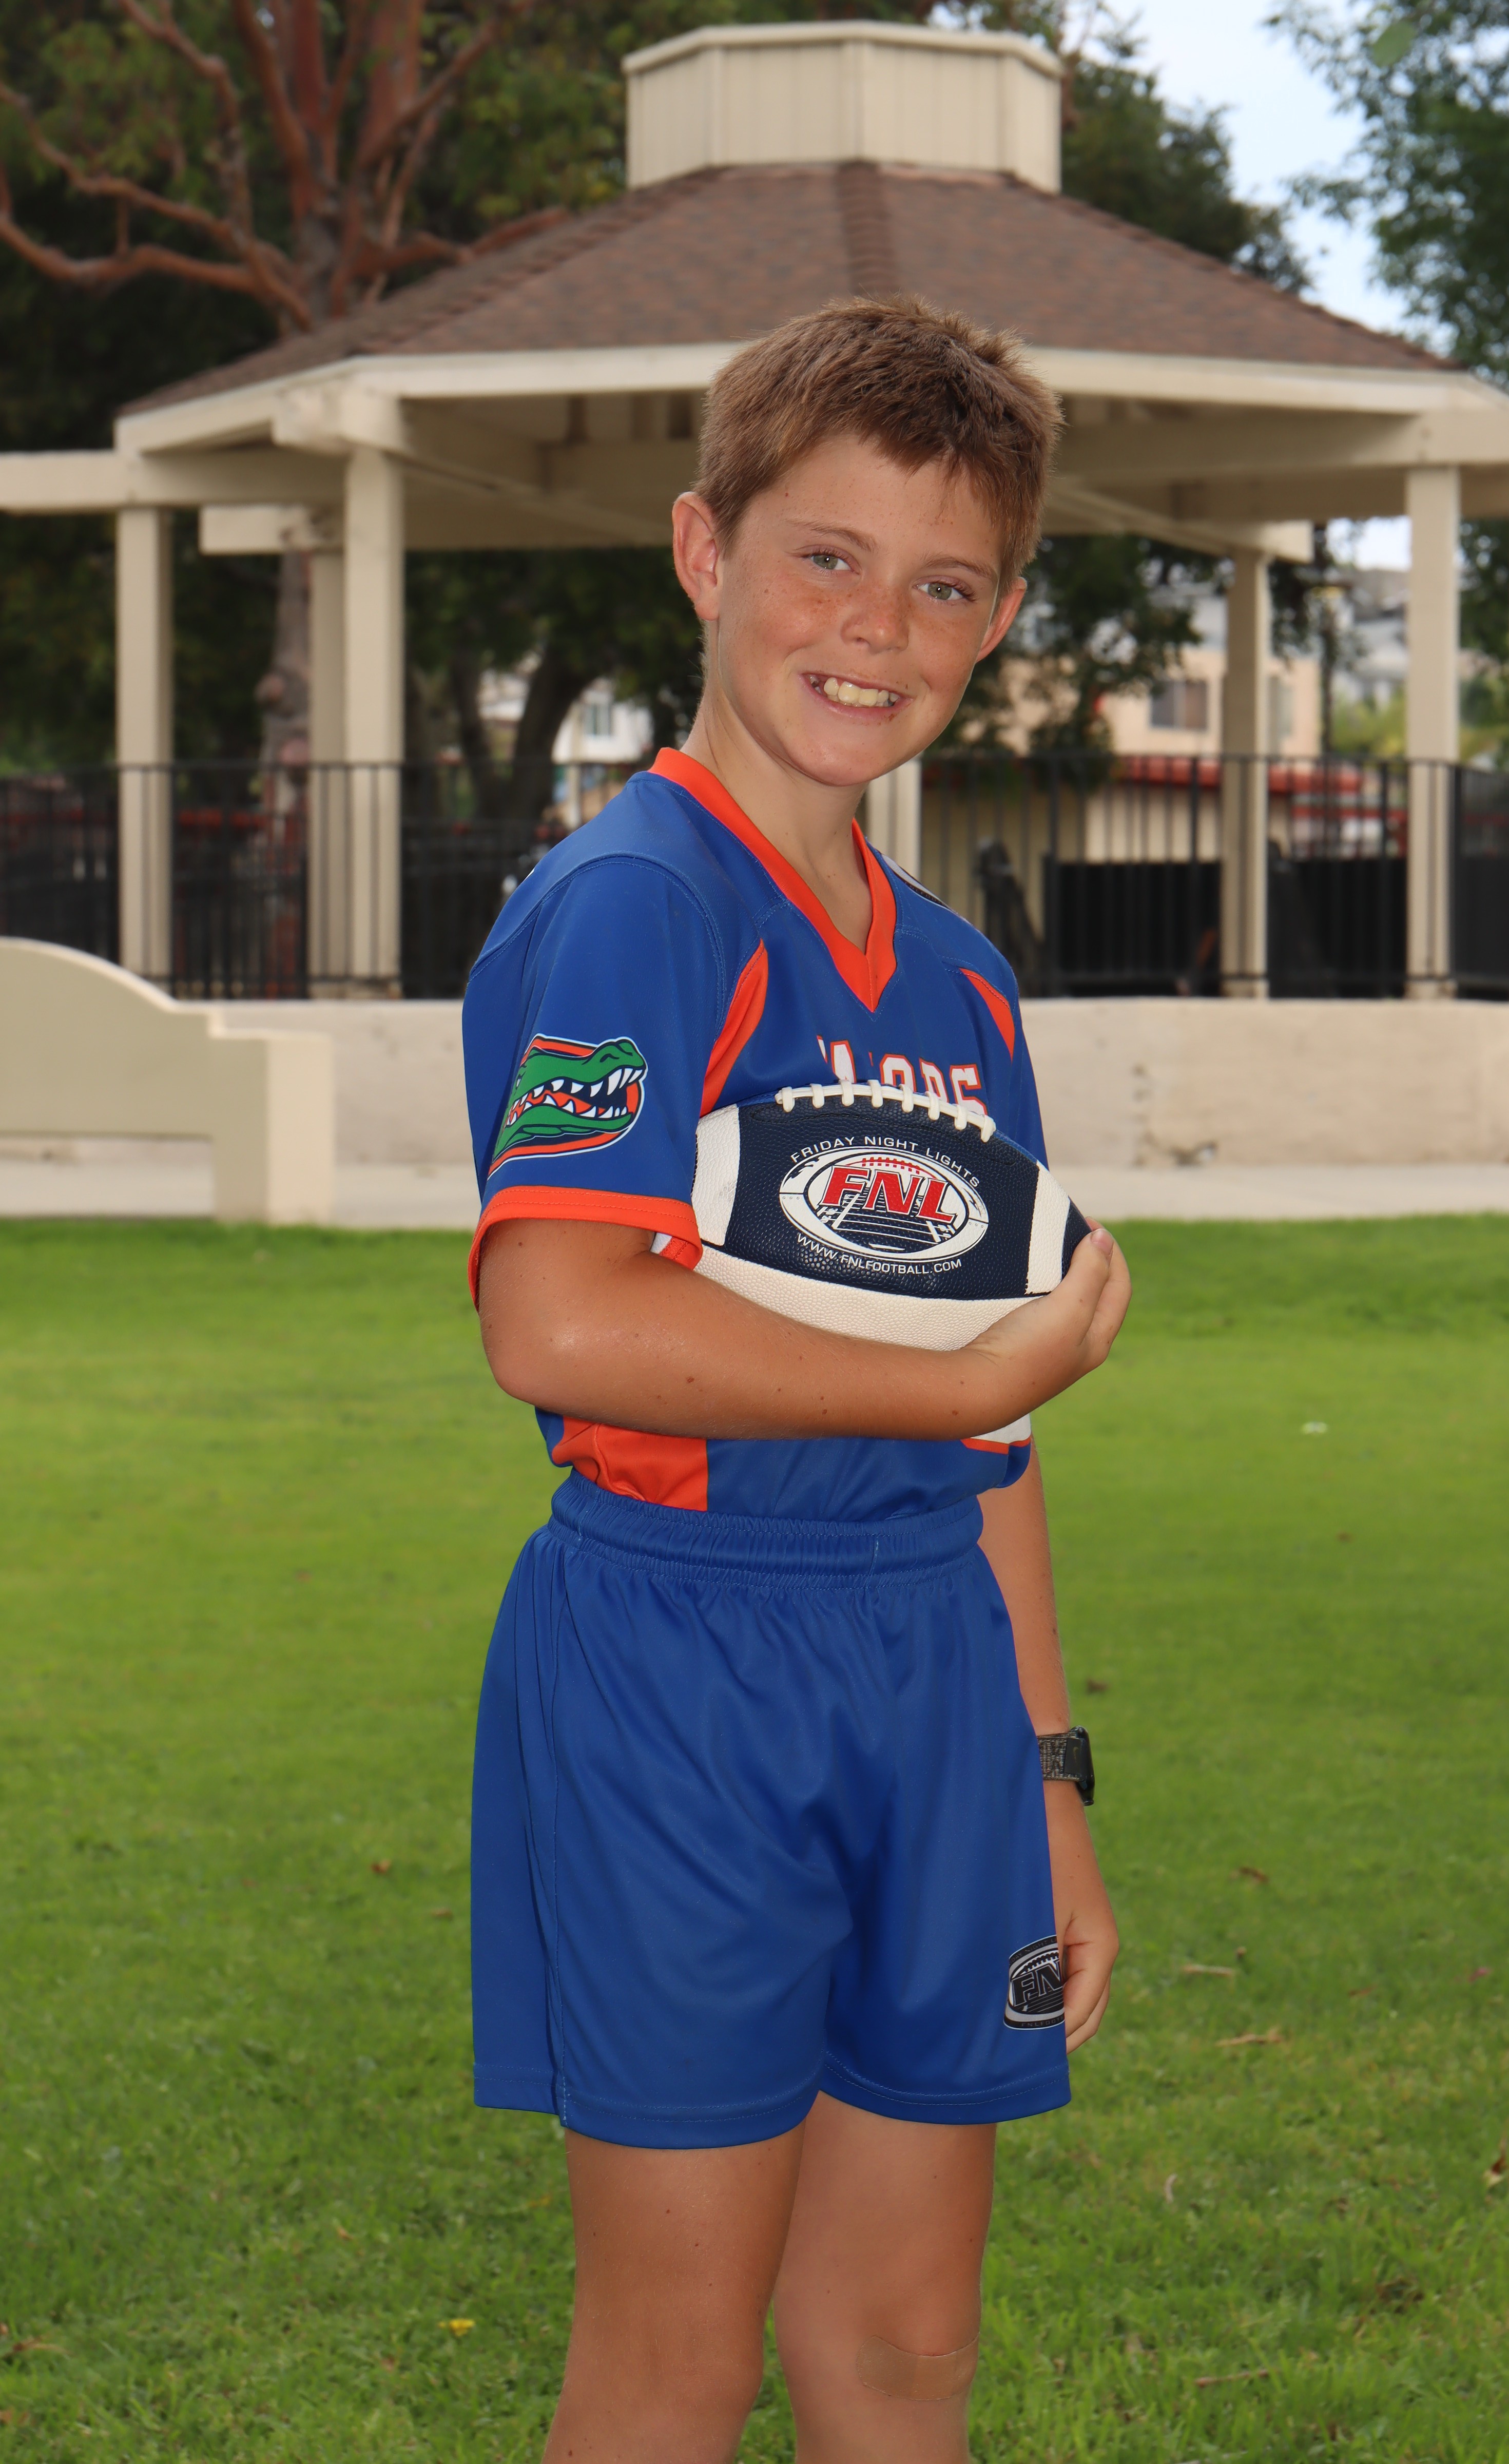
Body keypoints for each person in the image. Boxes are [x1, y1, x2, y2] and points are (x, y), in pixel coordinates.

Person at [463, 296, 1131, 2464]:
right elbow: (558, 1321)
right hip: (685, 1665)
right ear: (705, 550)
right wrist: (951, 1388)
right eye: (824, 557)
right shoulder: (633, 906)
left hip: (932, 1673)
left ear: (998, 621)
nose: (874, 626)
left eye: (943, 585)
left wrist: (1048, 1784)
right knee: (676, 2364)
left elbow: (990, 1422)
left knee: (903, 2347)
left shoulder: (960, 981)